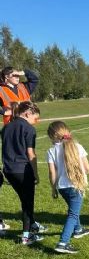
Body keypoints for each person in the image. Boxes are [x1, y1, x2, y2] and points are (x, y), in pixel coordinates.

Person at [0, 101, 46, 245]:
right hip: (23, 170)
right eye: (35, 118)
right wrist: (36, 174)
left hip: (8, 170)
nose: (36, 121)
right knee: (27, 204)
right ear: (27, 114)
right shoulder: (29, 129)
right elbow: (31, 154)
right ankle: (26, 236)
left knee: (24, 199)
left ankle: (32, 224)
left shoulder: (6, 128)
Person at [47, 121, 89, 254]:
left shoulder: (51, 151)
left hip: (62, 187)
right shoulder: (78, 146)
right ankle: (63, 242)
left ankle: (78, 229)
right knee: (73, 214)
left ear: (52, 136)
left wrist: (53, 188)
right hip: (76, 185)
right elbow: (87, 168)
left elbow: (52, 173)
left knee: (73, 210)